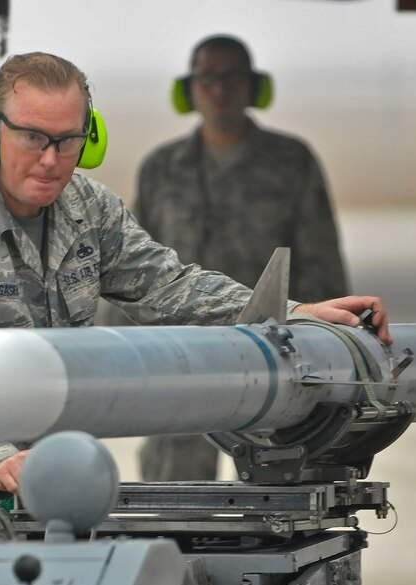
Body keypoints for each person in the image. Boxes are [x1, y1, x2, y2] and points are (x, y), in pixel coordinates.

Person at [0, 52, 389, 539]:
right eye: (32, 137)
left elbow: (170, 286)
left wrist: (295, 314)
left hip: (40, 477)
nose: (51, 160)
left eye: (68, 140)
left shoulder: (86, 209)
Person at [100, 34, 351, 484]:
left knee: (282, 500)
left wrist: (329, 349)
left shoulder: (290, 162)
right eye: (207, 77)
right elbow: (129, 267)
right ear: (189, 89)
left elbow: (322, 263)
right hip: (183, 366)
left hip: (276, 359)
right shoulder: (163, 167)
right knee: (174, 504)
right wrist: (107, 350)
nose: (219, 88)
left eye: (232, 76)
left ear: (254, 87)